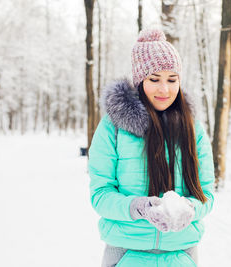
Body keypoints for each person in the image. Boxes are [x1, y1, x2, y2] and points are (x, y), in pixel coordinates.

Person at [88, 28, 215, 267]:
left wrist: (189, 208)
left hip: (181, 254)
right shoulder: (113, 128)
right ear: (140, 81)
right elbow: (100, 194)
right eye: (154, 79)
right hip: (126, 253)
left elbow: (206, 193)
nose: (164, 90)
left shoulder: (192, 128)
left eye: (172, 79)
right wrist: (138, 207)